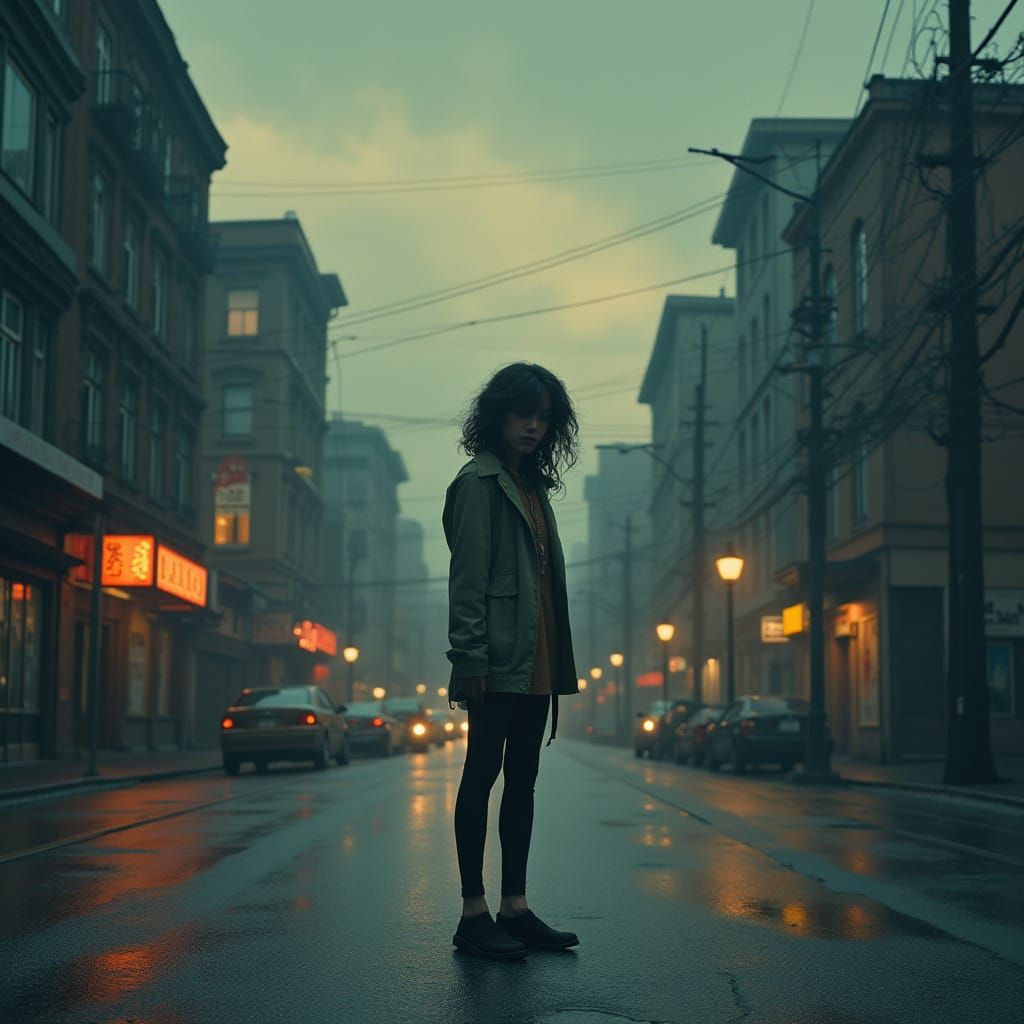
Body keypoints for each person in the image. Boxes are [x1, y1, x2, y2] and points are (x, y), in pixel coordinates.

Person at [444, 362, 582, 961]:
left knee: (523, 779)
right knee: (483, 774)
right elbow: (468, 580)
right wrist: (469, 655)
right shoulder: (480, 483)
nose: (533, 426)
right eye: (524, 413)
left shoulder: (532, 485)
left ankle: (515, 908)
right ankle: (474, 914)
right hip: (495, 659)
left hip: (536, 656)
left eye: (544, 418)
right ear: (498, 413)